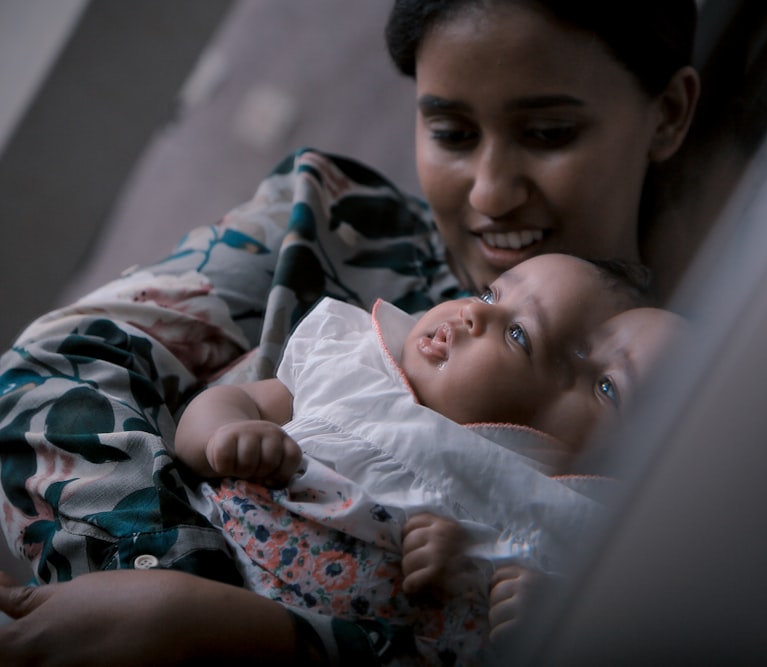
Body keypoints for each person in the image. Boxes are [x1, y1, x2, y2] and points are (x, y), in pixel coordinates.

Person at [0, 1, 702, 664]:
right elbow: (42, 381)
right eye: (452, 133)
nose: (490, 192)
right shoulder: (328, 224)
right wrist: (176, 583)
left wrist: (239, 633)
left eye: (549, 133)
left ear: (669, 113)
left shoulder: (683, 414)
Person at [173, 253, 681, 663]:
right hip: (211, 553)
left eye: (519, 334)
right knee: (150, 615)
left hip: (337, 643)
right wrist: (227, 435)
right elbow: (231, 405)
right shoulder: (361, 369)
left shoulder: (568, 525)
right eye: (491, 292)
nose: (473, 310)